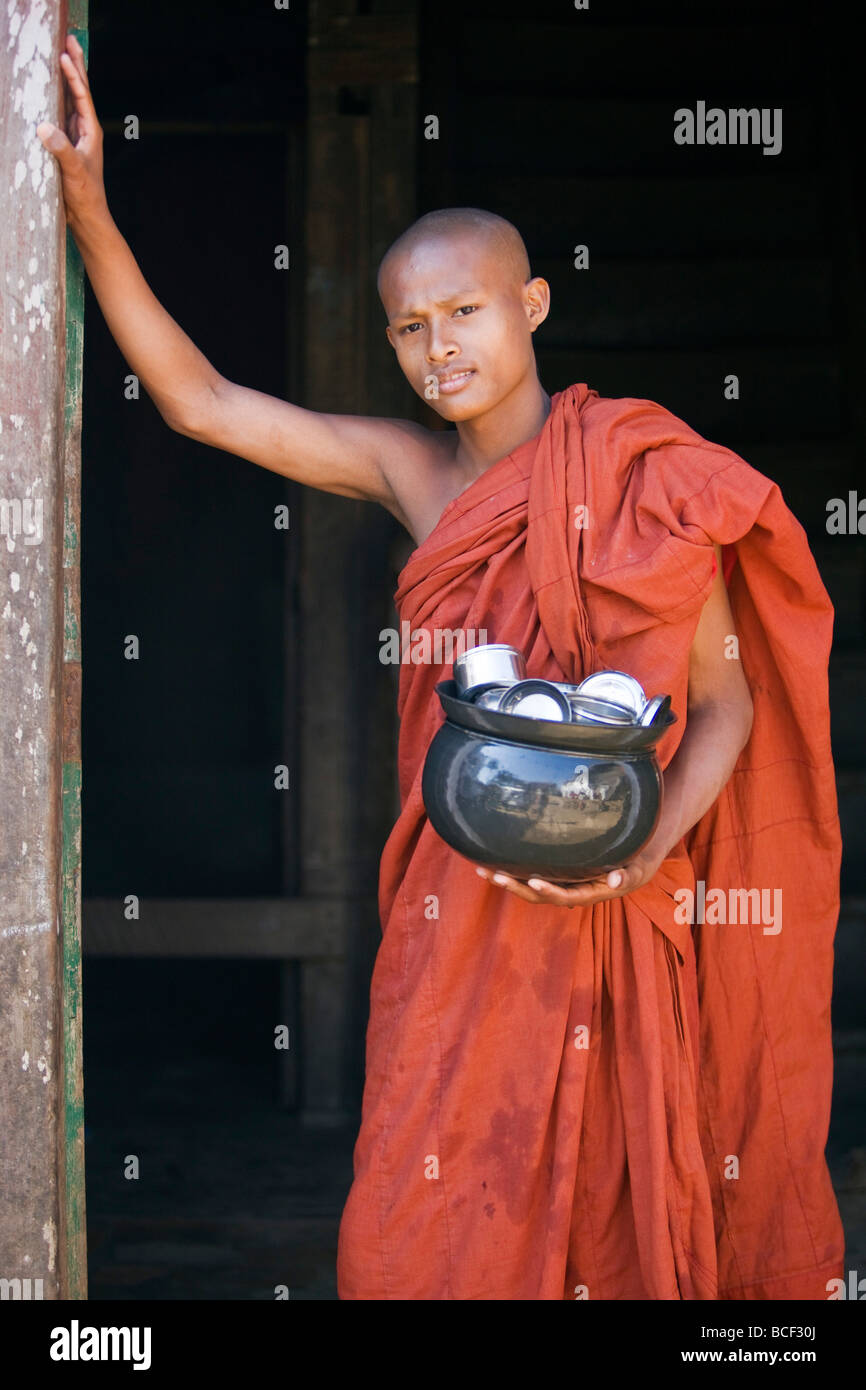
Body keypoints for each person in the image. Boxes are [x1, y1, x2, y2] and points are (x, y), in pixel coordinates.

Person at [40, 33, 844, 1300]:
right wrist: (89, 211)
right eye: (408, 327)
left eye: (464, 311)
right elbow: (199, 402)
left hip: (618, 900)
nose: (437, 348)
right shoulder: (415, 474)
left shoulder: (647, 477)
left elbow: (731, 704)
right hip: (458, 908)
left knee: (617, 1203)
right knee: (417, 1216)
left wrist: (636, 856)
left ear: (529, 305)